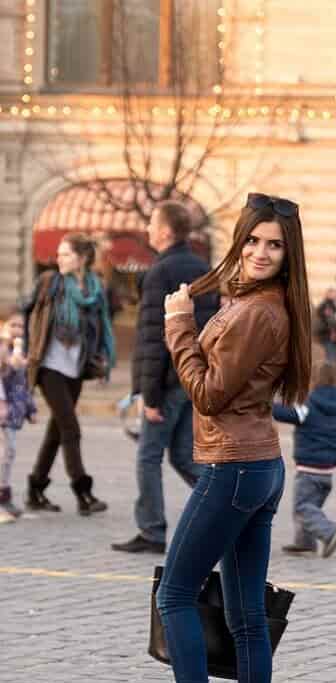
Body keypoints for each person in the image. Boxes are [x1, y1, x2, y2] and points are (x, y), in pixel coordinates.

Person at [156, 192, 312, 683]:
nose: (261, 253)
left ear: (287, 254)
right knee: (247, 620)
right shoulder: (262, 304)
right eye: (253, 240)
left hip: (232, 467)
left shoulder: (256, 313)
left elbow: (210, 395)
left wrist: (178, 328)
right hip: (261, 466)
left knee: (176, 594)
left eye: (274, 245)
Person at [112, 202, 219, 554]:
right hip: (192, 377)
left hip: (169, 381)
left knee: (148, 455)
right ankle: (231, 511)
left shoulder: (160, 272)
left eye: (153, 224)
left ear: (167, 232)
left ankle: (153, 530)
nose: (148, 230)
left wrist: (149, 393)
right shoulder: (203, 268)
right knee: (184, 456)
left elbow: (154, 337)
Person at [24, 233, 115, 514]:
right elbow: (26, 312)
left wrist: (103, 359)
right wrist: (24, 350)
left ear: (82, 258)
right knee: (71, 428)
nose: (58, 259)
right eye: (59, 254)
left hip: (75, 366)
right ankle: (83, 492)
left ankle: (36, 488)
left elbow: (101, 324)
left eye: (65, 254)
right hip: (49, 366)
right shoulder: (50, 282)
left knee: (57, 431)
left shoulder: (95, 287)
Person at [273, 360, 336, 557]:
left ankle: (329, 532)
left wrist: (266, 404)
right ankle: (305, 542)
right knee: (310, 506)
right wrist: (334, 461)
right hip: (327, 472)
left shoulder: (308, 405)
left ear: (313, 381)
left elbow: (285, 414)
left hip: (308, 471)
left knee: (302, 508)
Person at [0, 313, 38, 521]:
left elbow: (24, 387)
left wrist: (31, 409)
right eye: (12, 325)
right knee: (4, 454)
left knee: (9, 454)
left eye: (21, 327)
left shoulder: (22, 353)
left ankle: (5, 497)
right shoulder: (4, 350)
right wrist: (9, 355)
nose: (16, 330)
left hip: (14, 414)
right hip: (2, 412)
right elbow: (6, 371)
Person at [314, 287, 336, 363]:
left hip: (327, 334)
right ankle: (329, 371)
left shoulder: (331, 305)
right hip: (327, 334)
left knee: (329, 354)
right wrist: (333, 333)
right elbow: (330, 321)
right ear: (328, 295)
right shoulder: (327, 306)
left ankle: (329, 370)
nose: (334, 296)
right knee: (330, 356)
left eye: (334, 294)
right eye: (332, 294)